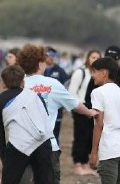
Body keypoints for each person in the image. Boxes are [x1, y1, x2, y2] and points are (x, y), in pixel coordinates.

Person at [18, 44, 98, 184]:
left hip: (22, 146)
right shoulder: (52, 84)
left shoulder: (19, 83)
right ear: (40, 63)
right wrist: (89, 112)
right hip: (48, 146)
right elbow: (75, 104)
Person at [0, 65, 54, 184]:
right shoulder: (35, 96)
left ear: (3, 83)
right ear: (23, 82)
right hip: (42, 143)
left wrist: (6, 161)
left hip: (18, 145)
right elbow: (45, 120)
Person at [88, 56, 120, 184]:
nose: (92, 76)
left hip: (110, 149)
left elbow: (99, 124)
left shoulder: (98, 93)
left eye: (94, 71)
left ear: (104, 73)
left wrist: (94, 152)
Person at [67, 49, 101, 176]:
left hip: (93, 109)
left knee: (90, 137)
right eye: (92, 57)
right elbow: (71, 92)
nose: (95, 60)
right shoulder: (80, 72)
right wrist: (78, 107)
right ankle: (78, 163)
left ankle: (86, 163)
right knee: (80, 136)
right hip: (80, 107)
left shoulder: (98, 74)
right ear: (88, 58)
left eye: (97, 57)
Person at [43, 46, 69, 143]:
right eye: (48, 55)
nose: (51, 57)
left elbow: (66, 88)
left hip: (56, 109)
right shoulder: (39, 70)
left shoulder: (60, 71)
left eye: (53, 55)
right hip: (40, 108)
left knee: (54, 135)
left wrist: (65, 105)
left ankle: (54, 156)